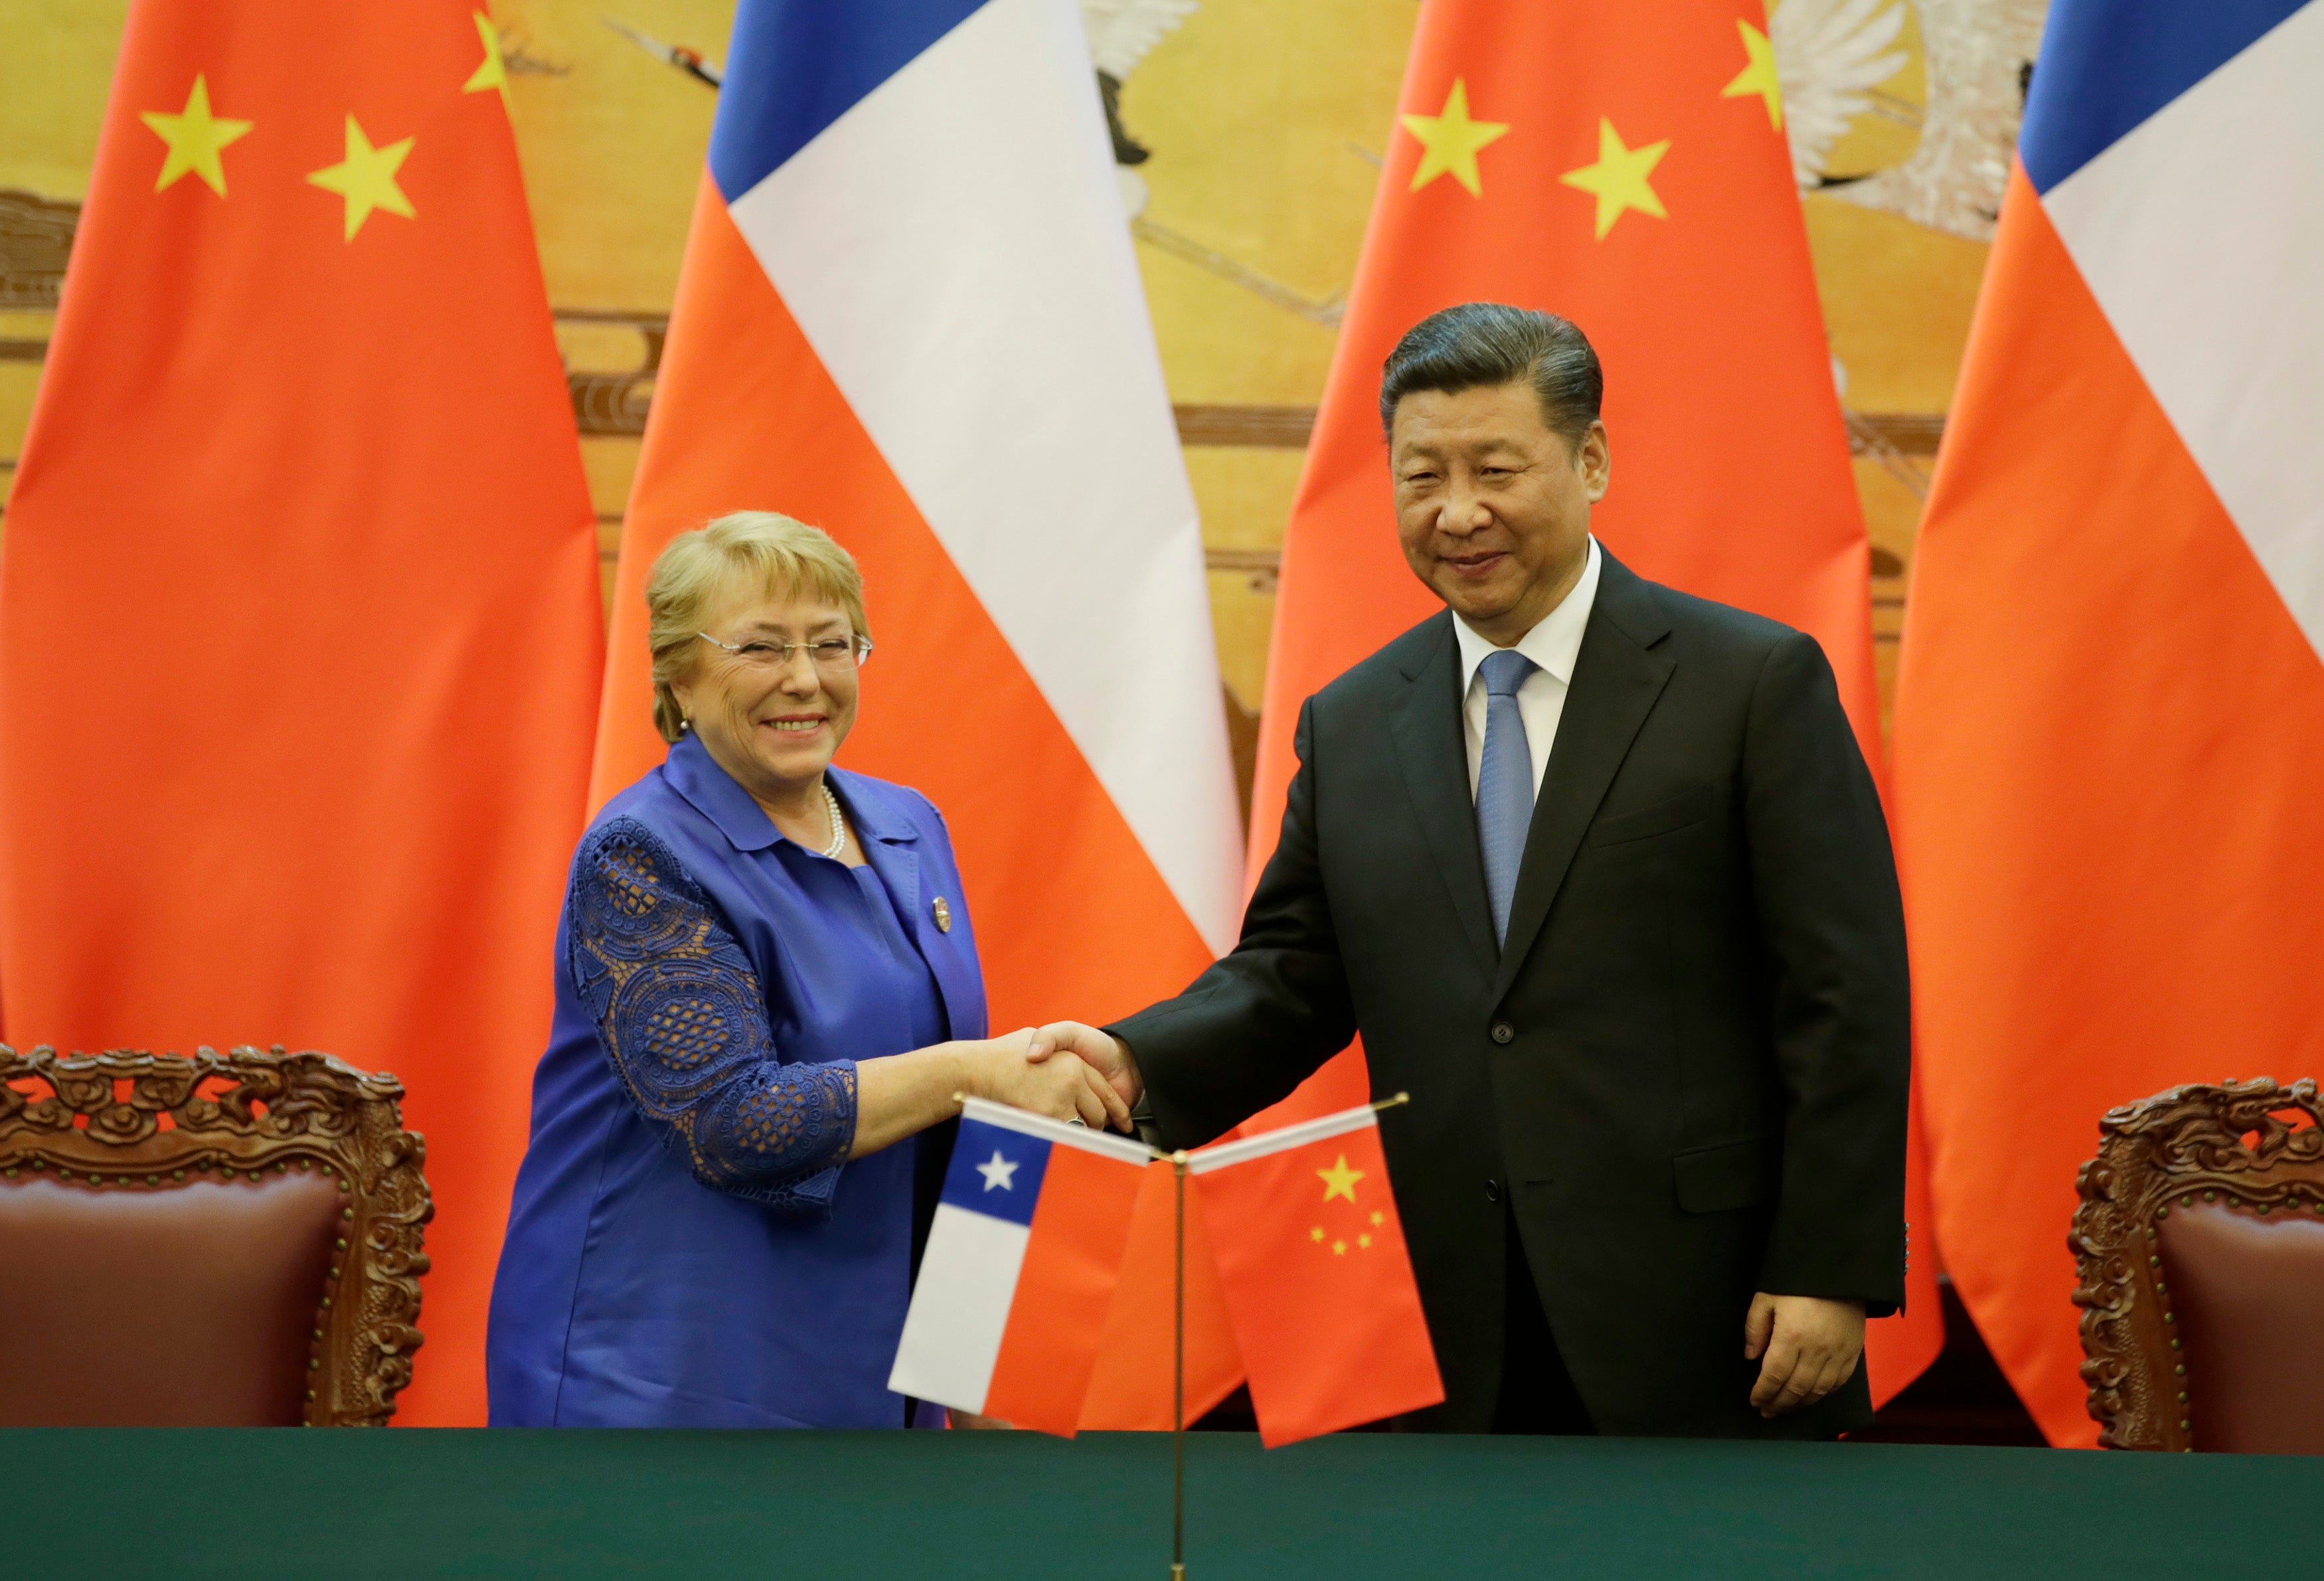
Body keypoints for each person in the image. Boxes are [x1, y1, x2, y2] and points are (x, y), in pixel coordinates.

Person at [1033, 303, 1910, 1439]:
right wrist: (1130, 1060)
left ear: (1590, 459)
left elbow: (1844, 995)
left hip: (1713, 1309)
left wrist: (1829, 1269)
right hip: (1445, 1319)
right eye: (1420, 476)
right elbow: (1294, 972)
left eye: (1497, 469)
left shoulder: (1749, 684)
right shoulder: (1355, 721)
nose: (1457, 513)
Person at [487, 511, 1125, 1428]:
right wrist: (977, 1070)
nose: (804, 679)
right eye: (760, 647)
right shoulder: (640, 854)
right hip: (663, 1385)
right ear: (678, 671)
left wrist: (965, 1379)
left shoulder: (910, 826)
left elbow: (963, 1132)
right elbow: (732, 1122)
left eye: (832, 644)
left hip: (872, 1387)